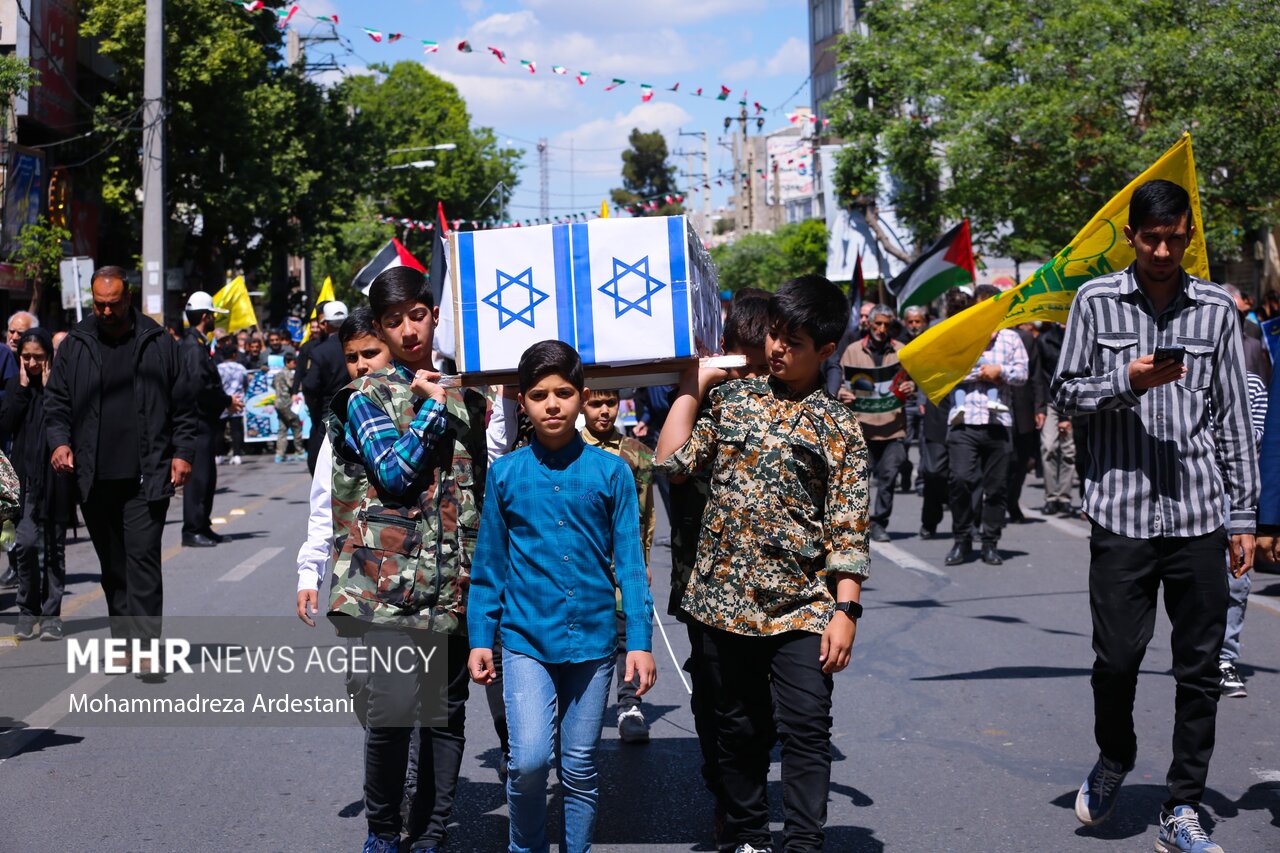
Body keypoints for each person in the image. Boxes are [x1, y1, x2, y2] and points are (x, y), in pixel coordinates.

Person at [1053, 179, 1257, 853]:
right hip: (1122, 514)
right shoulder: (1095, 300)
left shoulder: (1218, 310)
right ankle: (1115, 757)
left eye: (1176, 238)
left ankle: (1182, 803)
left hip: (1199, 512)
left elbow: (1232, 418)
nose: (1164, 250)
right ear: (1133, 236)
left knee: (1200, 670)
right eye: (1152, 238)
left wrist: (1244, 517)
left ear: (1189, 236)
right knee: (1116, 659)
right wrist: (1126, 381)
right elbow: (1065, 392)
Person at [656, 275, 868, 853]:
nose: (776, 349)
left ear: (824, 351)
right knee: (738, 730)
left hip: (802, 607)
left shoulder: (838, 427)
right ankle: (746, 836)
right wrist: (690, 387)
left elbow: (848, 530)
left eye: (793, 341)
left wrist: (846, 609)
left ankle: (803, 843)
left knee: (806, 729)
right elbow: (672, 462)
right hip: (720, 605)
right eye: (775, 335)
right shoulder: (731, 400)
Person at [468, 340, 656, 853]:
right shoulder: (505, 475)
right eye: (538, 395)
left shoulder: (612, 471)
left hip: (594, 644)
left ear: (581, 397)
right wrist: (481, 636)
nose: (552, 404)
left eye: (564, 393)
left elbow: (632, 566)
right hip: (525, 640)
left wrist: (638, 640)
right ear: (522, 402)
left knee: (578, 766)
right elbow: (489, 566)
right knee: (528, 762)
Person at [326, 269, 485, 853]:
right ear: (380, 328)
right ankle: (383, 832)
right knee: (391, 714)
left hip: (456, 584)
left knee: (446, 717)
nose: (408, 329)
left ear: (433, 314)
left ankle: (433, 831)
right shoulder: (362, 396)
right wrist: (431, 409)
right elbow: (393, 474)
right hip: (387, 591)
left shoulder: (472, 394)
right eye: (393, 322)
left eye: (416, 315)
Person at [45, 266, 195, 661]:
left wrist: (182, 453)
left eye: (113, 305)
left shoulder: (158, 341)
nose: (106, 312)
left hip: (148, 473)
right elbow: (56, 403)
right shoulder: (75, 343)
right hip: (92, 475)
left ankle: (146, 645)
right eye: (99, 305)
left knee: (142, 557)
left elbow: (183, 404)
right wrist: (59, 443)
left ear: (128, 299)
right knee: (112, 563)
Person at [667, 293, 772, 843]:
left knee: (768, 700)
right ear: (722, 352)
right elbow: (672, 468)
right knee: (717, 694)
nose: (752, 377)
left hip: (777, 584)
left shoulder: (792, 401)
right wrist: (698, 385)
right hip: (703, 577)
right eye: (742, 363)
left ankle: (747, 792)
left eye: (763, 365)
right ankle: (729, 800)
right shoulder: (701, 402)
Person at [579, 385, 656, 744]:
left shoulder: (637, 454)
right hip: (584, 561)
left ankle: (629, 703)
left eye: (610, 403)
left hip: (623, 557)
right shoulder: (570, 449)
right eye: (596, 403)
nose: (604, 411)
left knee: (627, 632)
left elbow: (646, 512)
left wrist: (644, 558)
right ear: (583, 404)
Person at [943, 284, 1029, 566]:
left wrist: (1001, 371)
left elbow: (1022, 374)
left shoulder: (1011, 339)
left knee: (996, 487)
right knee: (960, 480)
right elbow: (947, 373)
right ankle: (962, 538)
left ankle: (990, 541)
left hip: (997, 422)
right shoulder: (959, 337)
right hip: (963, 421)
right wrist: (983, 373)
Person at [1, 329, 74, 641]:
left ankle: (50, 615)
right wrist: (20, 389)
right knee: (26, 544)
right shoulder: (16, 387)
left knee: (54, 548)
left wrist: (49, 391)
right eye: (26, 356)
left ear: (49, 358)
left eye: (38, 357)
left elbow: (64, 425)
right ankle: (27, 609)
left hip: (55, 480)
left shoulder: (61, 388)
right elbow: (5, 425)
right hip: (25, 481)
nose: (31, 362)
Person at [837, 304, 914, 542]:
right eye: (877, 323)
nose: (881, 329)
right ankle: (858, 523)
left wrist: (910, 388)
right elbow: (838, 380)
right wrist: (842, 393)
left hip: (893, 428)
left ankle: (880, 522)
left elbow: (911, 381)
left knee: (888, 478)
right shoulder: (852, 350)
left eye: (886, 325)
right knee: (859, 481)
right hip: (862, 428)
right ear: (869, 324)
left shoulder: (901, 350)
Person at [178, 292, 237, 547]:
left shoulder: (198, 344)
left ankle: (203, 524)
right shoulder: (192, 347)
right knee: (198, 477)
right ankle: (192, 528)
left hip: (206, 422)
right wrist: (225, 401)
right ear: (205, 316)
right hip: (197, 422)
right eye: (212, 315)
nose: (214, 319)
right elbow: (198, 386)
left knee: (207, 475)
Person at [919, 289, 971, 538]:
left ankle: (964, 526)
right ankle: (930, 521)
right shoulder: (936, 329)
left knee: (962, 474)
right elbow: (923, 365)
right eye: (954, 306)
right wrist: (922, 397)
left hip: (967, 405)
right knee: (933, 471)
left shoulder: (974, 330)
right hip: (938, 404)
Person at [302, 300, 350, 473]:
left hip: (327, 414)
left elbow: (310, 385)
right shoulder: (358, 345)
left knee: (319, 463)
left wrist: (314, 408)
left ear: (325, 324)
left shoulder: (320, 351)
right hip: (355, 409)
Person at [1035, 322, 1077, 516]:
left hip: (1074, 400)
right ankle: (1051, 497)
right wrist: (1040, 407)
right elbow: (1038, 376)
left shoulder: (1078, 337)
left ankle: (1064, 497)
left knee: (1069, 451)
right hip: (1051, 401)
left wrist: (1065, 416)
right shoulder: (1045, 340)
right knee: (1049, 447)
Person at [1005, 322, 1043, 523]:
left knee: (1020, 461)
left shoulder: (1026, 338)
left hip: (1022, 410)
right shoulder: (987, 336)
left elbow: (1036, 375)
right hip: (996, 410)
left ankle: (1012, 502)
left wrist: (1039, 407)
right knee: (1001, 461)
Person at [215, 332, 249, 465]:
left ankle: (218, 454)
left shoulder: (218, 368)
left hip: (222, 400)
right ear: (234, 355)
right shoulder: (241, 368)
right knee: (236, 429)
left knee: (220, 429)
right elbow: (246, 384)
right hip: (238, 400)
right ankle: (237, 454)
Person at [272, 351, 306, 463]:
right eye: (294, 362)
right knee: (296, 425)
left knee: (283, 428)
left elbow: (273, 385)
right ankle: (299, 451)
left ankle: (279, 454)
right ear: (287, 362)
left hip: (278, 403)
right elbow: (294, 385)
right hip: (286, 404)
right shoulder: (288, 374)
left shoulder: (278, 374)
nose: (295, 364)